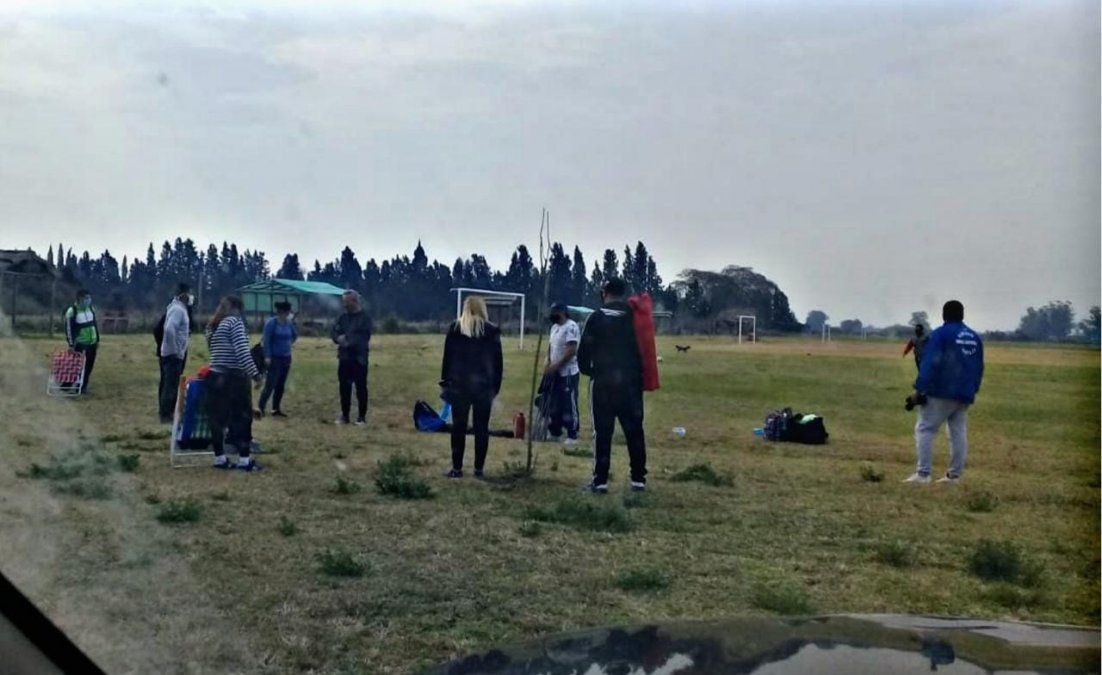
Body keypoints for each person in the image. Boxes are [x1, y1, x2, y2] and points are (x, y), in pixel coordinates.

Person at [577, 278, 647, 494]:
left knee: (603, 432)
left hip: (604, 384)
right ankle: (638, 480)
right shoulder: (634, 317)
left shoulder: (596, 318)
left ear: (604, 293)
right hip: (631, 384)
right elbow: (644, 349)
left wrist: (592, 371)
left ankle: (600, 481)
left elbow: (583, 354)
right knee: (634, 431)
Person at [903, 300, 984, 485]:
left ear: (944, 315)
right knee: (958, 432)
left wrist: (919, 388)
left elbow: (931, 363)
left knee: (925, 428)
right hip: (965, 393)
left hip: (941, 391)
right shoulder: (974, 337)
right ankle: (954, 476)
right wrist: (974, 388)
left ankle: (923, 474)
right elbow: (979, 366)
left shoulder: (940, 335)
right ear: (962, 315)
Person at [440, 296, 503, 478]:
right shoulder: (491, 331)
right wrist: (495, 387)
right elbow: (498, 362)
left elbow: (447, 359)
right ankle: (479, 469)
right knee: (482, 428)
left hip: (459, 385)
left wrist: (445, 383)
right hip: (484, 386)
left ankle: (457, 468)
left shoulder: (456, 328)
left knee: (458, 426)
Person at [205, 296, 262, 471]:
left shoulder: (212, 326)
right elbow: (242, 351)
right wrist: (255, 374)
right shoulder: (235, 323)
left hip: (215, 377)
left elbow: (213, 351)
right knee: (242, 419)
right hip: (234, 379)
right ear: (237, 309)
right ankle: (244, 461)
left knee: (218, 419)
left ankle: (220, 459)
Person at [331, 290, 373, 425]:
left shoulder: (365, 318)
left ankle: (361, 417)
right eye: (343, 302)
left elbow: (363, 336)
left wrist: (347, 341)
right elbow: (334, 331)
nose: (344, 305)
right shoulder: (342, 318)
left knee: (361, 388)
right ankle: (345, 416)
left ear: (354, 301)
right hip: (344, 358)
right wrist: (338, 338)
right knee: (344, 388)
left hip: (359, 359)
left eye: (347, 302)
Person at [545, 302, 582, 447]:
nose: (553, 315)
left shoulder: (571, 327)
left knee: (569, 402)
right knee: (555, 403)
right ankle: (555, 431)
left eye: (556, 313)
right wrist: (548, 362)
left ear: (563, 313)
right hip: (554, 372)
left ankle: (572, 433)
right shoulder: (554, 327)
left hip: (568, 372)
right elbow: (550, 346)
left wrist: (556, 365)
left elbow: (571, 350)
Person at [256, 301, 298, 418]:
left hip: (286, 357)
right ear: (283, 312)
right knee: (270, 384)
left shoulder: (289, 323)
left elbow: (295, 335)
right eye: (288, 311)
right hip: (274, 358)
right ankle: (261, 407)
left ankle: (276, 408)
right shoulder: (271, 323)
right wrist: (268, 356)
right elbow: (267, 340)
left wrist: (289, 344)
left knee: (280, 384)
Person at [158, 283, 193, 423]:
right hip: (173, 355)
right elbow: (169, 329)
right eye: (189, 294)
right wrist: (175, 350)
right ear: (184, 295)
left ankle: (168, 413)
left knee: (170, 384)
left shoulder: (178, 308)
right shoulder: (178, 310)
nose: (191, 297)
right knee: (170, 386)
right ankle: (166, 415)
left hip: (174, 353)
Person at [64, 289, 99, 395]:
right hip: (80, 343)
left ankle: (82, 387)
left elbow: (94, 324)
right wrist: (71, 344)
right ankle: (66, 386)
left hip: (92, 343)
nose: (88, 300)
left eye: (89, 298)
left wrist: (97, 339)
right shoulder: (72, 311)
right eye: (86, 298)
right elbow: (69, 329)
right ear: (80, 299)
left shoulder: (91, 309)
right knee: (75, 366)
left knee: (88, 366)